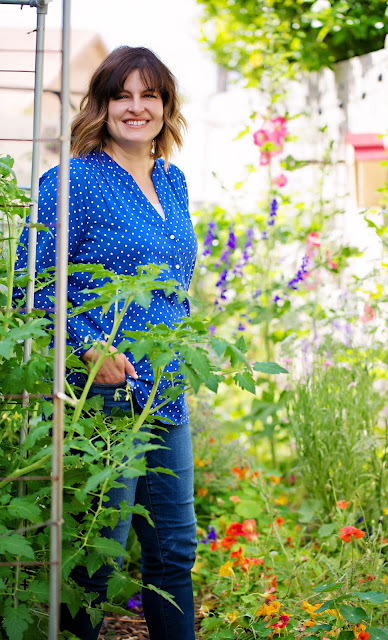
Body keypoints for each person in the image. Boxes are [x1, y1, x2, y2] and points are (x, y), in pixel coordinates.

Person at [16, 46, 198, 639]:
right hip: (101, 396)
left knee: (174, 553)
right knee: (98, 557)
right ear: (101, 104)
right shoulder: (72, 180)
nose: (136, 107)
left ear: (166, 107)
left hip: (164, 393)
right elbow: (32, 282)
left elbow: (173, 287)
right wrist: (89, 347)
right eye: (123, 94)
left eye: (150, 95)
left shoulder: (173, 183)